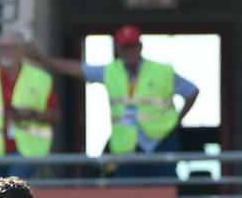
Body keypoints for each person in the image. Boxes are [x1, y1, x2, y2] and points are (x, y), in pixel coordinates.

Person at [27, 24, 199, 178]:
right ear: (118, 49)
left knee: (163, 197)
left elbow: (192, 91)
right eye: (125, 48)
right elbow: (76, 69)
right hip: (126, 147)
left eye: (132, 46)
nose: (129, 51)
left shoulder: (162, 71)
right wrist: (41, 59)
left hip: (161, 141)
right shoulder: (111, 71)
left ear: (140, 46)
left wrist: (177, 121)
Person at [0, 27, 61, 181]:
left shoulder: (41, 80)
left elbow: (55, 115)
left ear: (21, 51)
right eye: (2, 48)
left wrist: (31, 114)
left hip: (27, 150)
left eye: (11, 48)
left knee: (11, 194)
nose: (5, 52)